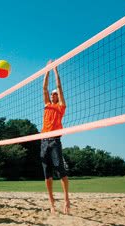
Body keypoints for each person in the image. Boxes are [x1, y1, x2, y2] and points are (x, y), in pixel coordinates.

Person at [40, 59, 70, 215]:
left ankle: (66, 200)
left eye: (55, 94)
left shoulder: (61, 106)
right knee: (47, 173)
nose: (53, 95)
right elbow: (44, 87)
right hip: (44, 141)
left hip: (55, 141)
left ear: (58, 96)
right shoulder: (47, 104)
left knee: (61, 171)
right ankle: (51, 203)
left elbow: (59, 87)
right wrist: (47, 70)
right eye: (52, 94)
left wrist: (55, 70)